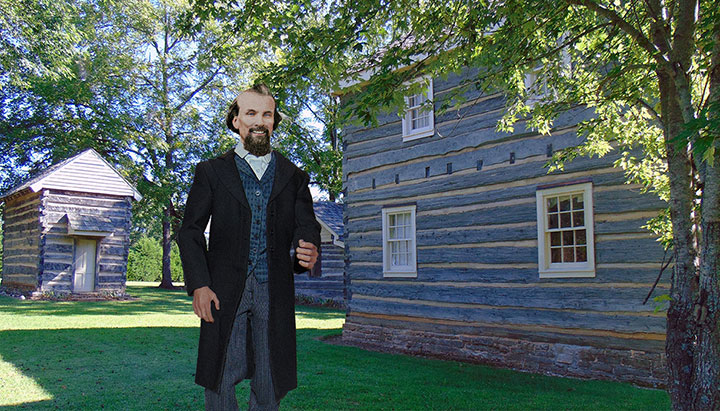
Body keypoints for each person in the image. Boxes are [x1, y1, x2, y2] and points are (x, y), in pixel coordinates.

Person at [177, 84, 320, 410]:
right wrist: (199, 284)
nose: (260, 120)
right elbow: (190, 232)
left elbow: (306, 228)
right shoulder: (211, 172)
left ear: (273, 122)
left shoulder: (293, 176)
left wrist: (306, 251)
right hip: (223, 290)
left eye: (267, 114)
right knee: (220, 378)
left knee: (271, 381)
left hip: (274, 291)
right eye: (251, 113)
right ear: (236, 121)